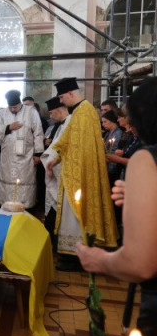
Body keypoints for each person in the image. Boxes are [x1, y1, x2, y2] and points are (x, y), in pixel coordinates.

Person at [76, 77, 157, 336]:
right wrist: (141, 198)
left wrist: (99, 260)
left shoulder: (147, 159)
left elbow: (141, 264)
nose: (129, 126)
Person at [47, 77, 117, 270]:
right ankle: (71, 254)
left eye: (62, 97)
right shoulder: (79, 111)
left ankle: (77, 257)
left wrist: (63, 160)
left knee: (77, 214)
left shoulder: (85, 112)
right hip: (73, 172)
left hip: (80, 175)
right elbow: (68, 140)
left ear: (70, 93)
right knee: (71, 214)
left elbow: (82, 149)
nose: (61, 101)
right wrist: (56, 158)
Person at [0, 89, 44, 209]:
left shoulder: (31, 111)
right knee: (7, 180)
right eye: (11, 107)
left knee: (24, 180)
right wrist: (8, 127)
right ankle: (7, 206)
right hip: (8, 156)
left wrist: (38, 154)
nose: (13, 109)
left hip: (26, 156)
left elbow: (38, 132)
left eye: (15, 107)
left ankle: (25, 207)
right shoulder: (3, 113)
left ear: (20, 103)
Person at [40, 96, 70, 250]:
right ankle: (51, 244)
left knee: (58, 211)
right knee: (53, 210)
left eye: (51, 113)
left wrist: (49, 159)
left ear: (58, 110)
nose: (50, 117)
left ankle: (56, 246)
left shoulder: (70, 123)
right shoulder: (61, 125)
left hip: (64, 175)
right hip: (56, 172)